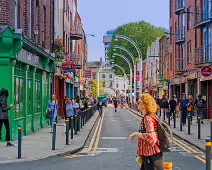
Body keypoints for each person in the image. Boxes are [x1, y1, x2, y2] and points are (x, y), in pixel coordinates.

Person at [129, 94, 164, 170]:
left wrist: (136, 134)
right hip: (149, 155)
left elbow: (152, 138)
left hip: (151, 156)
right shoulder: (150, 116)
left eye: (139, 102)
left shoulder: (147, 119)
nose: (137, 104)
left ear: (144, 105)